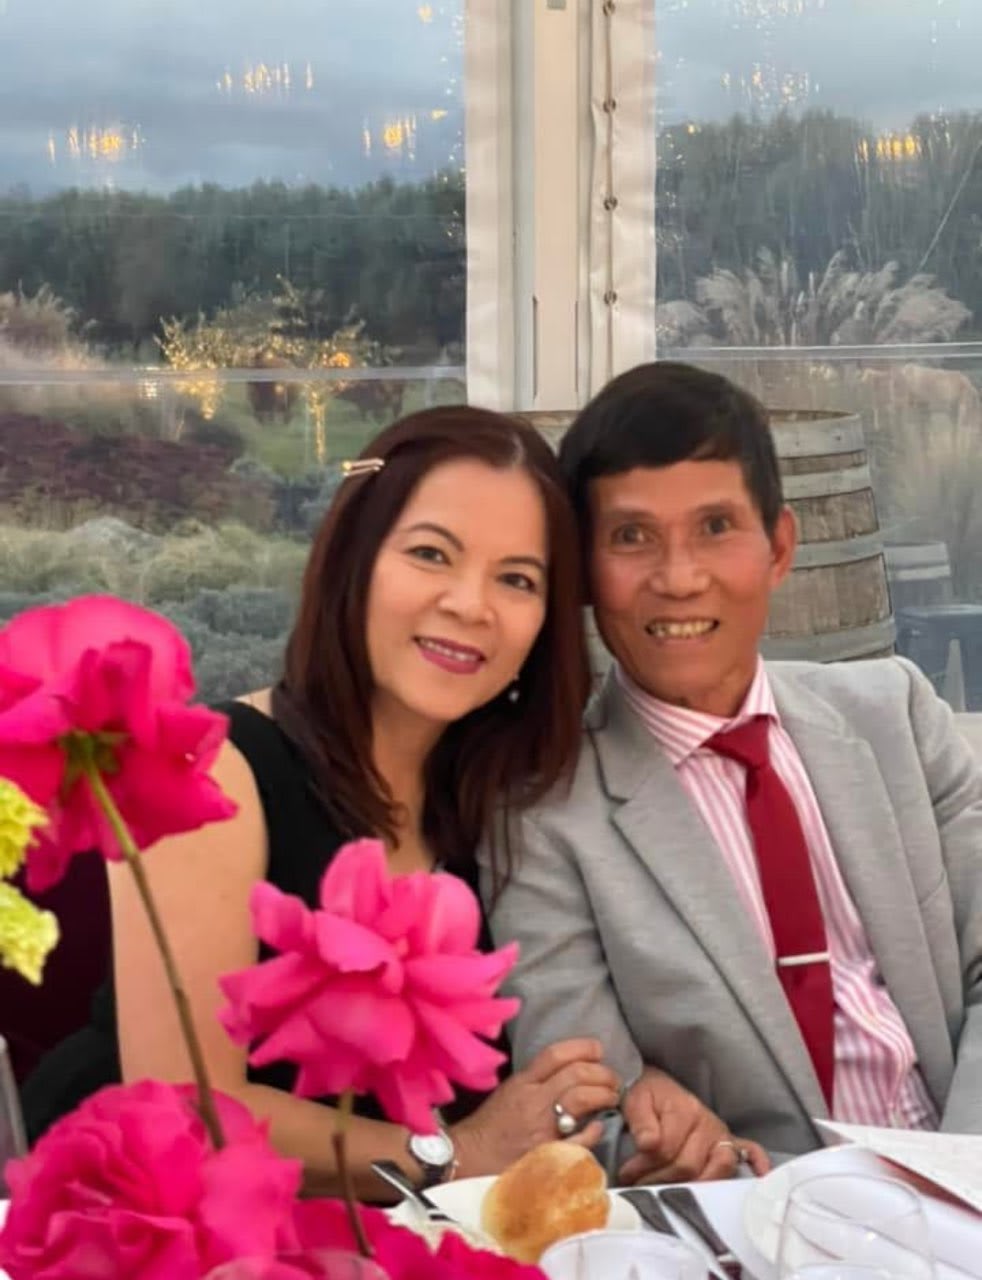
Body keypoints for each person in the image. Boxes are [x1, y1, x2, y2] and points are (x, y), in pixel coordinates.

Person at [22, 405, 735, 1199]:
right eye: (432, 554)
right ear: (355, 558)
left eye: (517, 579)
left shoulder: (505, 806)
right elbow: (193, 1108)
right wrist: (449, 1154)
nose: (472, 604)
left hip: (398, 1236)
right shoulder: (218, 768)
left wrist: (650, 1096)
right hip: (144, 1222)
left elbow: (565, 1051)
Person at [484, 362, 982, 1178]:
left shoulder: (895, 715)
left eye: (716, 526)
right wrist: (670, 1147)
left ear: (779, 546)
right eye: (632, 536)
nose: (679, 579)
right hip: (754, 1220)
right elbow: (588, 1103)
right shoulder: (540, 816)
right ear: (582, 568)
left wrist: (959, 1177)